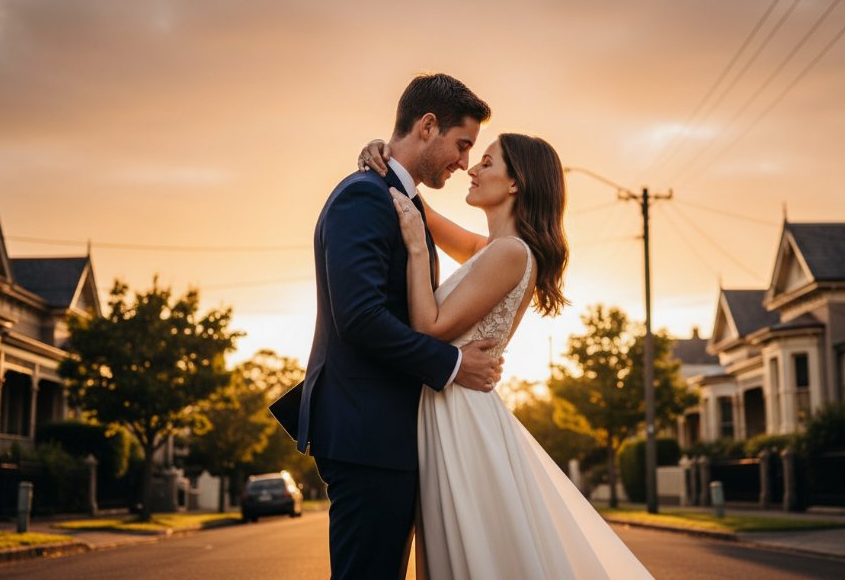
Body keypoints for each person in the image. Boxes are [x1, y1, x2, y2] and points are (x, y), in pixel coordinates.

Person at [359, 133, 656, 579]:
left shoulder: (512, 253)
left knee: (476, 552)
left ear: (515, 183)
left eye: (486, 162)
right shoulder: (492, 250)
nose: (471, 169)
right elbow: (419, 209)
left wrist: (418, 249)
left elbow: (429, 329)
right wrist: (384, 157)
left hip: (461, 416)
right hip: (450, 407)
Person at [270, 73, 505, 580]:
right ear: (427, 126)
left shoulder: (400, 197)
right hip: (367, 433)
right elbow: (360, 318)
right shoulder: (364, 197)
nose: (464, 162)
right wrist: (454, 364)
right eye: (463, 144)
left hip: (388, 433)